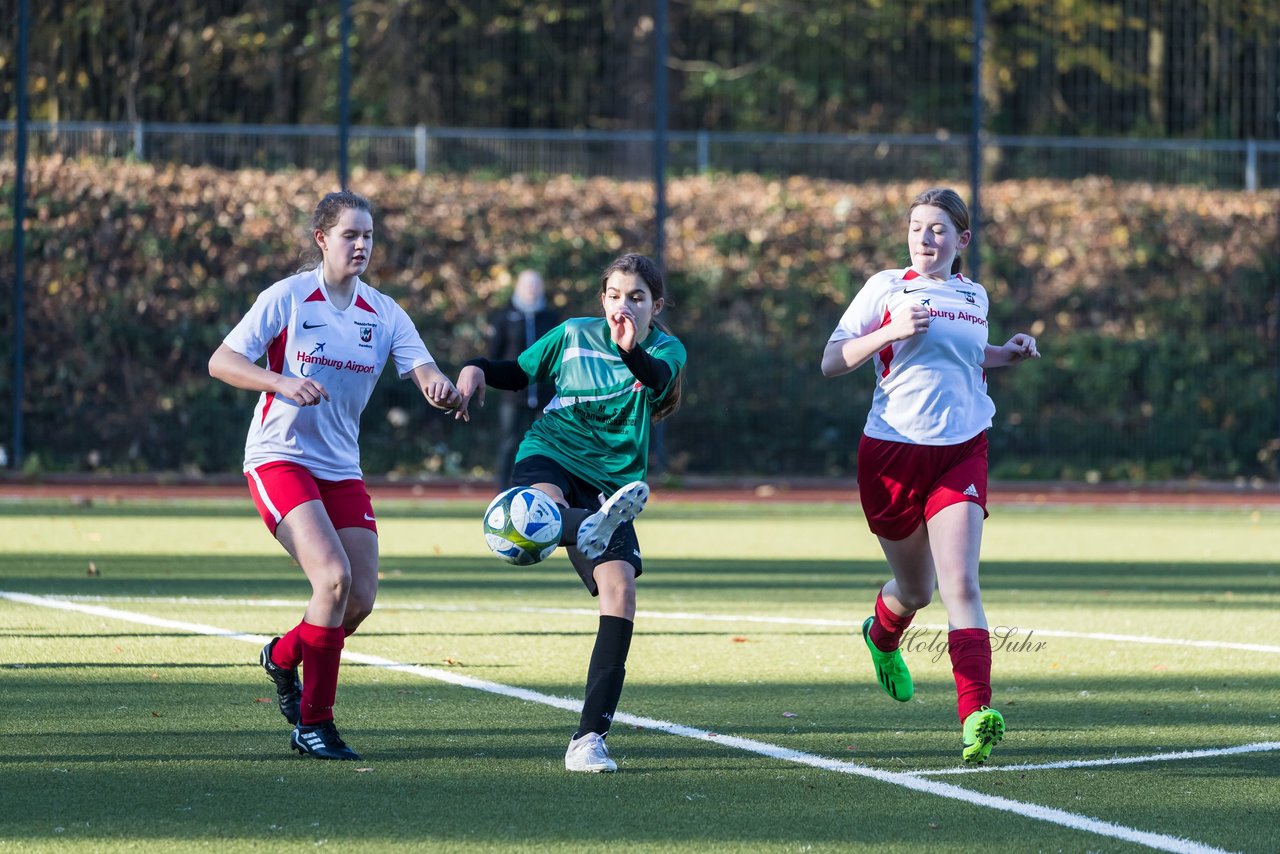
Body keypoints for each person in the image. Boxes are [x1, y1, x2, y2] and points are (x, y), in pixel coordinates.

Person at [208, 190, 460, 760]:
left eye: (368, 235)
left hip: (341, 468)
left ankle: (282, 656)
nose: (361, 244)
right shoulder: (289, 298)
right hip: (280, 457)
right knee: (332, 580)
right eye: (350, 234)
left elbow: (424, 370)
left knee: (360, 598)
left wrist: (441, 390)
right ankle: (314, 725)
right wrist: (280, 383)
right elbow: (221, 362)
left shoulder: (385, 311)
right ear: (322, 240)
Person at [820, 187, 1040, 764]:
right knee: (916, 591)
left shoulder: (974, 293)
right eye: (918, 227)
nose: (926, 238)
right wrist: (889, 333)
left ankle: (976, 716)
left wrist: (1006, 352)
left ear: (962, 240)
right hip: (891, 454)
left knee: (961, 586)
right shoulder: (885, 288)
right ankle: (882, 634)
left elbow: (966, 355)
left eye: (939, 229)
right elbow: (831, 359)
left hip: (962, 451)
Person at [453, 252, 686, 773]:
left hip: (611, 483)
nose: (623, 306)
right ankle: (576, 524)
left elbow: (653, 377)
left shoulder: (668, 349)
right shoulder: (573, 333)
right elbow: (515, 372)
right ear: (602, 298)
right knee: (541, 511)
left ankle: (588, 739)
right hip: (551, 452)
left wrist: (630, 353)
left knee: (620, 593)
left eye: (637, 297)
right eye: (614, 295)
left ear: (656, 305)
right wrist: (474, 370)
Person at [487, 269, 559, 488]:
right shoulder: (504, 316)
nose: (532, 289)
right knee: (509, 443)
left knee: (544, 444)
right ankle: (503, 491)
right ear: (518, 287)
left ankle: (542, 489)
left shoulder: (551, 318)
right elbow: (494, 353)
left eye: (535, 284)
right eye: (527, 284)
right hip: (513, 396)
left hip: (544, 395)